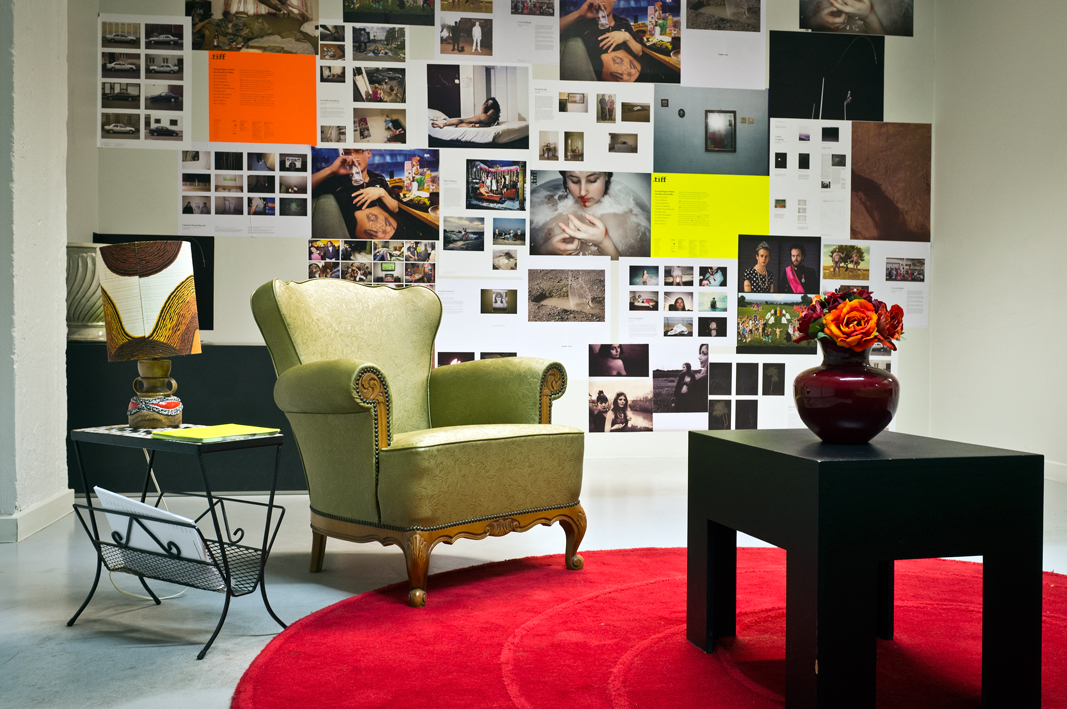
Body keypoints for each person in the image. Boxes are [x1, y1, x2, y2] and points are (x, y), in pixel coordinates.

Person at [531, 171, 650, 259]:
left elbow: (627, 277)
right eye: (574, 181)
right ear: (565, 178)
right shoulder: (544, 205)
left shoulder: (631, 216)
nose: (582, 192)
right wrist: (545, 251)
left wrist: (604, 242)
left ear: (606, 174)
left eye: (592, 180)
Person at [312, 149, 401, 240]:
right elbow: (303, 188)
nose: (353, 157)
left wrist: (381, 192)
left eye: (358, 151)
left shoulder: (378, 178)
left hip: (399, 232)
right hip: (372, 243)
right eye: (347, 153)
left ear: (368, 153)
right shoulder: (338, 180)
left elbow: (395, 208)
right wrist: (331, 170)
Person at [559, 0, 644, 82]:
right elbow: (554, 30)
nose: (601, 1)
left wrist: (626, 36)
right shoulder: (584, 24)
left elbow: (639, 52)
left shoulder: (623, 22)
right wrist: (579, 14)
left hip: (643, 75)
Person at [674, 344, 709, 412]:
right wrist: (675, 396)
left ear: (688, 367)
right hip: (681, 397)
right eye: (682, 367)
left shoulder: (694, 376)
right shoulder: (681, 375)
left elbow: (694, 391)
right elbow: (677, 386)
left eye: (704, 354)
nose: (699, 357)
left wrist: (688, 384)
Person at [431, 97, 501, 128]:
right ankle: (472, 125)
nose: (489, 103)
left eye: (491, 102)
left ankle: (444, 124)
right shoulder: (494, 111)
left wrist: (483, 108)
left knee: (462, 120)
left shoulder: (493, 110)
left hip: (487, 120)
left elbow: (483, 116)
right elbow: (484, 118)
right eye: (488, 101)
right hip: (487, 122)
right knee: (459, 125)